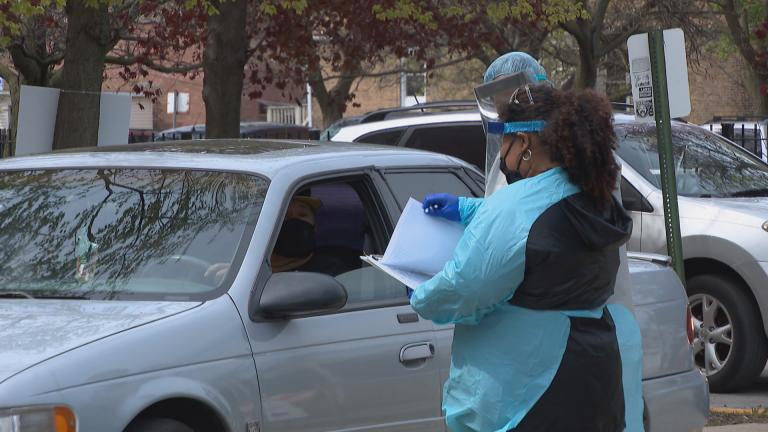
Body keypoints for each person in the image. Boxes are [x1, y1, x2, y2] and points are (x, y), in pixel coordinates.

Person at [424, 52, 645, 432]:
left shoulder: (519, 205)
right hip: (598, 353)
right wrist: (470, 209)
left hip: (534, 378)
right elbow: (545, 223)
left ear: (524, 142)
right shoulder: (590, 185)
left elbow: (471, 280)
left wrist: (421, 294)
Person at [205, 191, 352, 282]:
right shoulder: (245, 266)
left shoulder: (331, 271)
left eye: (302, 215)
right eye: (284, 216)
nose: (295, 221)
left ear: (315, 225)